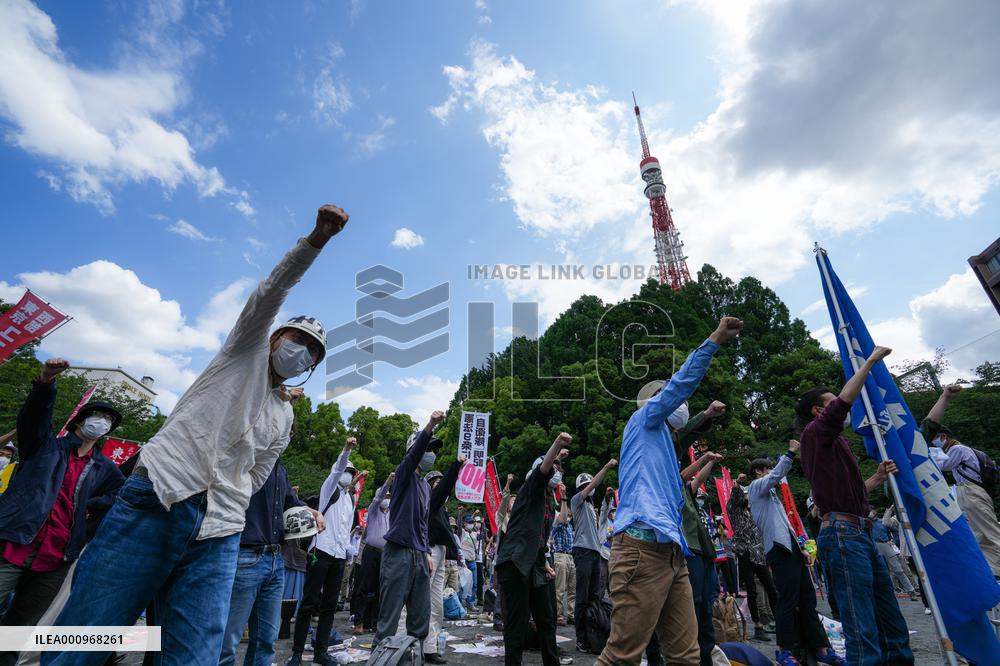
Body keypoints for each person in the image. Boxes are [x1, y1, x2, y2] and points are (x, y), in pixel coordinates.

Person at [47, 206, 347, 666]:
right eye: (297, 339)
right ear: (274, 337)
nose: (302, 351)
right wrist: (316, 241)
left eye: (312, 352)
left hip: (222, 530)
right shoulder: (242, 349)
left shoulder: (283, 415)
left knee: (196, 655)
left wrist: (230, 499)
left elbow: (259, 472)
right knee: (87, 634)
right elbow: (271, 292)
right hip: (159, 498)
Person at [596, 316, 742, 666]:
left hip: (673, 554)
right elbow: (681, 386)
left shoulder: (663, 448)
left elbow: (684, 461)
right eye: (662, 395)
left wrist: (705, 419)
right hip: (640, 548)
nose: (673, 399)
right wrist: (715, 339)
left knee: (685, 654)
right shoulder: (644, 421)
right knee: (623, 655)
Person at [0, 361, 125, 664]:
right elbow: (34, 417)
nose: (101, 422)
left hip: (56, 558)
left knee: (20, 627)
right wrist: (45, 382)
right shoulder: (44, 446)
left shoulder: (105, 468)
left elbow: (119, 495)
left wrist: (88, 507)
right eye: (97, 415)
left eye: (108, 419)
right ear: (80, 420)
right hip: (14, 544)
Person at [797, 345, 913, 666]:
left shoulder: (834, 444)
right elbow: (842, 404)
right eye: (830, 403)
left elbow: (849, 494)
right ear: (818, 412)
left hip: (860, 532)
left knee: (890, 618)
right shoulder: (815, 434)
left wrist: (875, 479)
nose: (841, 408)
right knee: (860, 624)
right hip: (843, 536)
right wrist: (870, 361)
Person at [220, 460, 324, 666]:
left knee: (266, 641)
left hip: (276, 559)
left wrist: (316, 512)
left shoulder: (279, 469)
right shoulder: (248, 458)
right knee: (228, 642)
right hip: (246, 555)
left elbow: (291, 502)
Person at [747, 447, 843, 666]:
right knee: (787, 600)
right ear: (759, 471)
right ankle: (784, 649)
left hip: (792, 549)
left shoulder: (772, 496)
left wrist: (801, 550)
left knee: (808, 600)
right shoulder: (755, 488)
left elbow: (786, 525)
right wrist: (789, 454)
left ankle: (821, 648)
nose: (772, 472)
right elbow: (775, 476)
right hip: (778, 550)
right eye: (768, 469)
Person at [372, 411, 445, 650]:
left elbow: (423, 524)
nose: (431, 454)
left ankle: (413, 658)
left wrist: (425, 552)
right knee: (389, 620)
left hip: (418, 555)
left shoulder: (425, 486)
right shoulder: (403, 474)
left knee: (420, 618)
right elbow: (414, 456)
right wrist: (430, 426)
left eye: (434, 450)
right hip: (398, 553)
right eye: (428, 448)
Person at [496, 433, 571, 666]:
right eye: (553, 466)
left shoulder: (549, 500)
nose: (556, 471)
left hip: (535, 564)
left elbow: (537, 538)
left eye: (559, 469)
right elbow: (542, 471)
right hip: (514, 562)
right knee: (516, 625)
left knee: (546, 620)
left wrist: (545, 563)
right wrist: (557, 445)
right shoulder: (531, 488)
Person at [288, 439, 363, 666]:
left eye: (351, 473)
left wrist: (349, 552)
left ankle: (321, 652)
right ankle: (297, 654)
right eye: (347, 471)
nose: (348, 475)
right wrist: (346, 451)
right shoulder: (328, 489)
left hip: (339, 556)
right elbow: (337, 469)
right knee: (309, 603)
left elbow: (346, 529)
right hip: (321, 551)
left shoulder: (350, 500)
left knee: (330, 606)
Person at [925, 384, 1000, 577]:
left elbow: (943, 466)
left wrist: (931, 452)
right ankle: (991, 569)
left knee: (991, 532)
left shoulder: (958, 449)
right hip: (970, 492)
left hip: (971, 491)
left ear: (944, 436)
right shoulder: (964, 450)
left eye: (936, 439)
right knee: (979, 534)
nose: (936, 443)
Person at [570, 457, 617, 653]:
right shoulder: (577, 501)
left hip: (595, 553)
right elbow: (591, 487)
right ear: (582, 487)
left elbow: (604, 519)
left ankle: (593, 634)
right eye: (587, 485)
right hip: (582, 551)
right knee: (582, 598)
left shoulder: (591, 507)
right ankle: (581, 638)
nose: (591, 487)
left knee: (595, 596)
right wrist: (605, 467)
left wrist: (607, 498)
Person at [423, 456, 464, 664]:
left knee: (437, 604)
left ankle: (430, 647)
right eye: (437, 483)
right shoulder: (430, 501)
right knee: (422, 600)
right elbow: (445, 486)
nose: (442, 486)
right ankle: (411, 645)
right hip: (428, 551)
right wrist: (456, 466)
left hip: (440, 552)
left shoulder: (441, 509)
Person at [726, 482, 778, 641]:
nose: (748, 498)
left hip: (759, 554)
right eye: (745, 495)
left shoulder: (753, 512)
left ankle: (780, 620)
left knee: (771, 587)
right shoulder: (734, 512)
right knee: (752, 590)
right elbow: (734, 498)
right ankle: (758, 626)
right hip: (744, 554)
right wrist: (737, 485)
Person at [351, 472, 393, 635]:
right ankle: (359, 622)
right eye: (385, 495)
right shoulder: (373, 510)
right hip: (370, 552)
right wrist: (388, 482)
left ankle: (375, 622)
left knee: (381, 589)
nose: (386, 498)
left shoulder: (392, 512)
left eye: (389, 496)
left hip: (385, 554)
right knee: (363, 587)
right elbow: (378, 498)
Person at [869, 511, 918, 598]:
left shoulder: (883, 522)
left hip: (885, 545)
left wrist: (894, 541)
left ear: (875, 512)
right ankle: (879, 593)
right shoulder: (865, 523)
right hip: (873, 546)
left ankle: (911, 591)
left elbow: (896, 532)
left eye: (871, 511)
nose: (870, 513)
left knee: (898, 570)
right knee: (875, 570)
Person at [551, 488, 575, 626]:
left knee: (572, 589)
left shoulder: (571, 526)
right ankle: (558, 615)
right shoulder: (559, 521)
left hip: (571, 556)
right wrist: (564, 498)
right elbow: (564, 518)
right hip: (560, 555)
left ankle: (571, 614)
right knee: (559, 589)